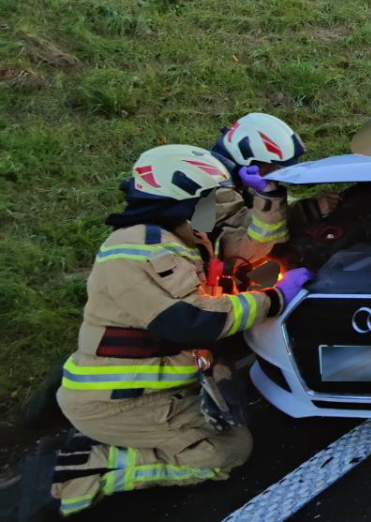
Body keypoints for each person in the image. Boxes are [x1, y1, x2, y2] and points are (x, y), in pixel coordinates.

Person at [42, 145, 313, 516]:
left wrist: (270, 197)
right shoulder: (139, 248)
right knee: (227, 452)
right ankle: (90, 467)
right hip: (118, 401)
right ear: (180, 199)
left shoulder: (184, 238)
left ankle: (121, 440)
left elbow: (257, 249)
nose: (213, 205)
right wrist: (274, 299)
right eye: (208, 197)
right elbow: (192, 320)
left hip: (147, 390)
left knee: (235, 422)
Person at [210, 112, 337, 269]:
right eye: (275, 166)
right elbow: (265, 241)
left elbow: (269, 217)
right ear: (249, 161)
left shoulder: (235, 181)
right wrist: (269, 193)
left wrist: (312, 208)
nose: (277, 173)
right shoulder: (215, 192)